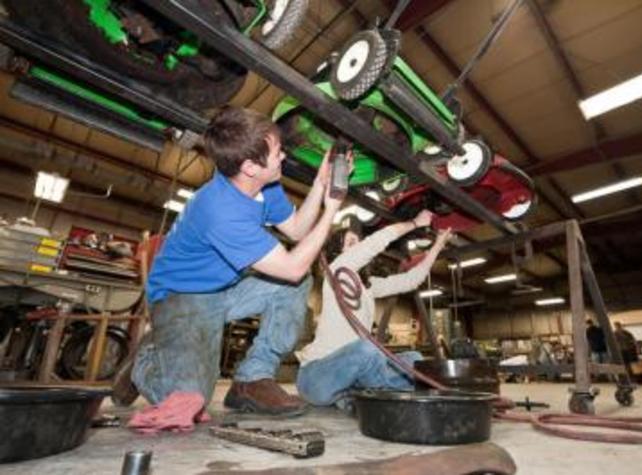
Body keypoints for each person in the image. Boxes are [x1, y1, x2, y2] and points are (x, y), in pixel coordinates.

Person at [113, 107, 348, 416]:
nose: (283, 157)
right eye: (278, 152)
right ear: (250, 166)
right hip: (180, 298)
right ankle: (145, 361)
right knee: (191, 401)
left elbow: (297, 229)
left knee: (295, 286)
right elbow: (292, 268)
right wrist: (332, 210)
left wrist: (320, 185)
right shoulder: (221, 210)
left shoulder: (265, 185)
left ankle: (252, 379)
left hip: (224, 290)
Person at [295, 211, 452, 407]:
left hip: (351, 375)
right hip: (317, 378)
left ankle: (359, 396)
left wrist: (438, 245)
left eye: (358, 241)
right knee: (368, 349)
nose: (358, 246)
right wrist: (414, 222)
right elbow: (376, 242)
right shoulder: (336, 270)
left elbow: (410, 280)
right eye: (351, 242)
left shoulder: (368, 287)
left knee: (414, 358)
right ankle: (381, 401)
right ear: (337, 251)